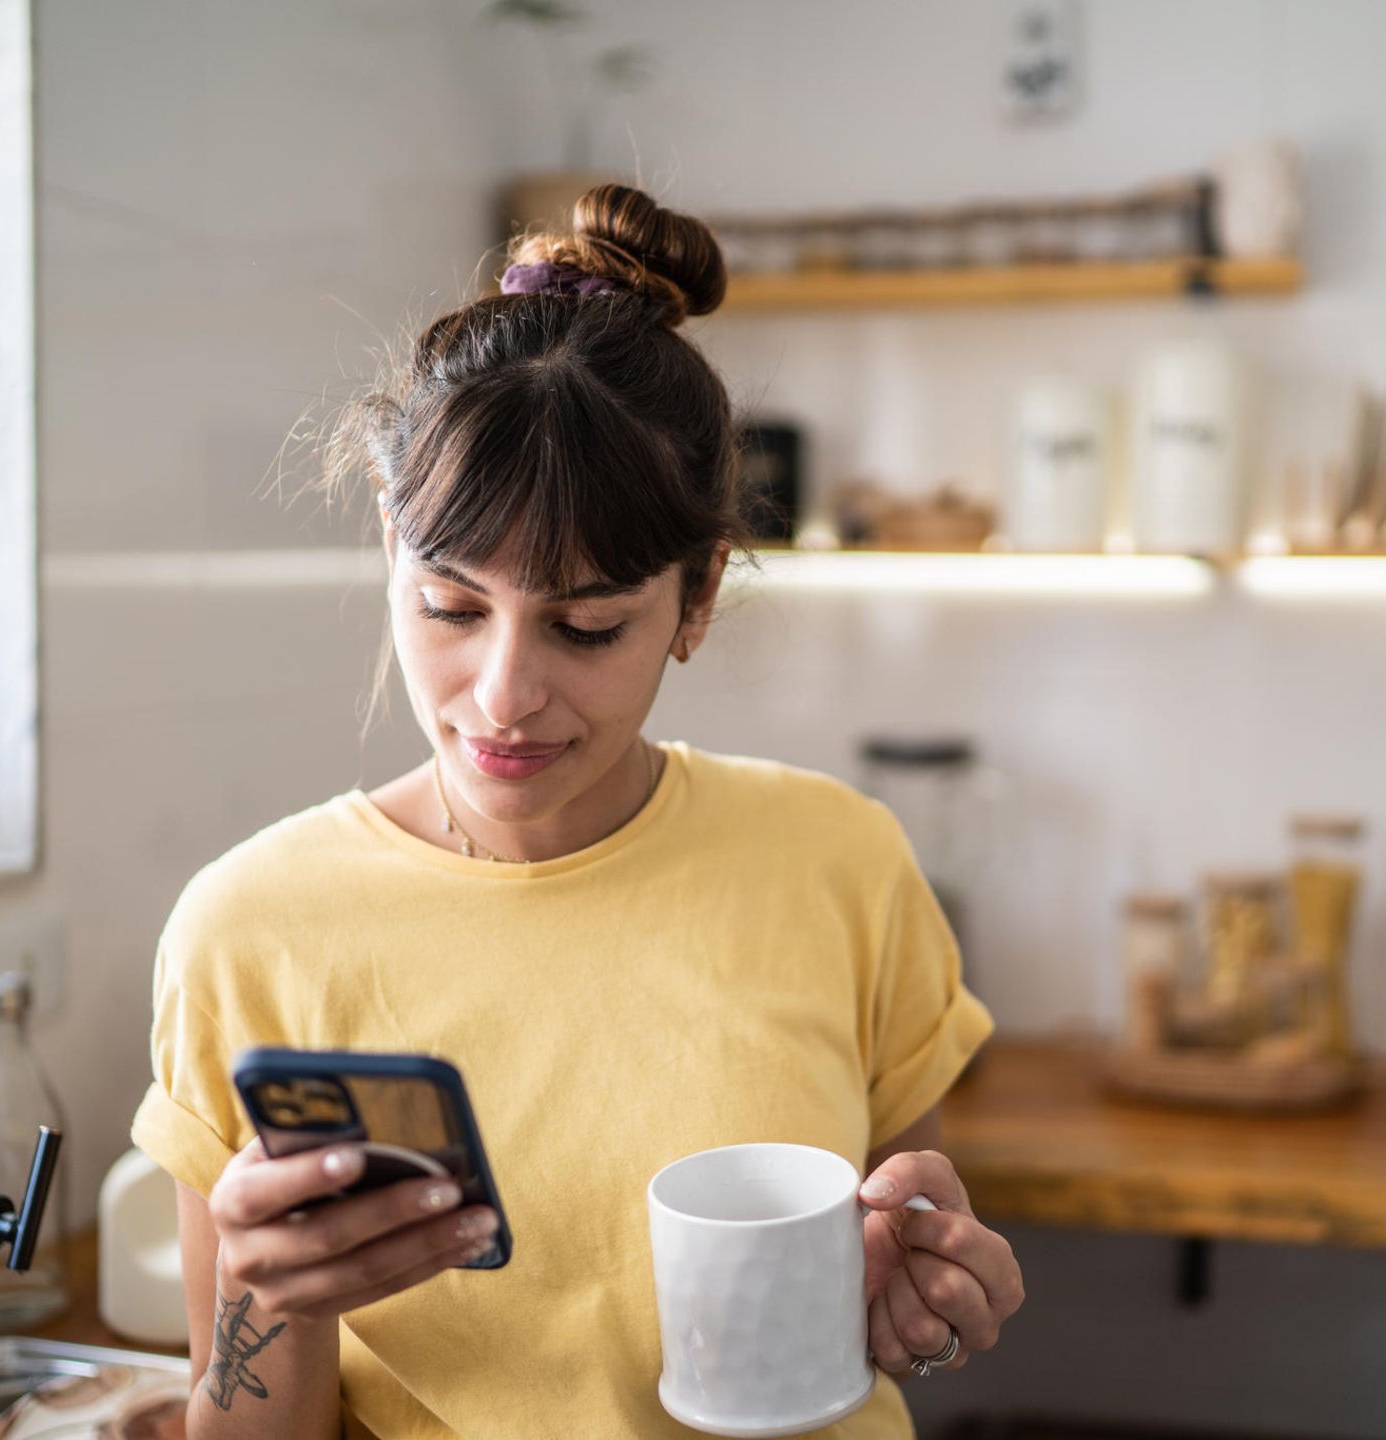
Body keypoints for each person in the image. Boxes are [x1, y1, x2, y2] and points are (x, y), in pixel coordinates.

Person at [131, 182, 1023, 1440]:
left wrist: (924, 1296)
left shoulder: (840, 861)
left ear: (698, 596)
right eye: (450, 606)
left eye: (587, 624)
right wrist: (277, 1307)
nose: (502, 696)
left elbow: (902, 1250)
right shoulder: (248, 929)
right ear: (390, 548)